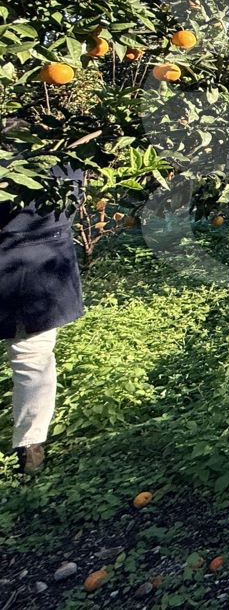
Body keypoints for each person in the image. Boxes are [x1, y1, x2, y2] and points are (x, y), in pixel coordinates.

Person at [0, 169, 85, 479]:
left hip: (32, 253)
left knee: (31, 356)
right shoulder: (65, 142)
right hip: (45, 255)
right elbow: (73, 195)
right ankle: (30, 449)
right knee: (32, 358)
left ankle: (30, 448)